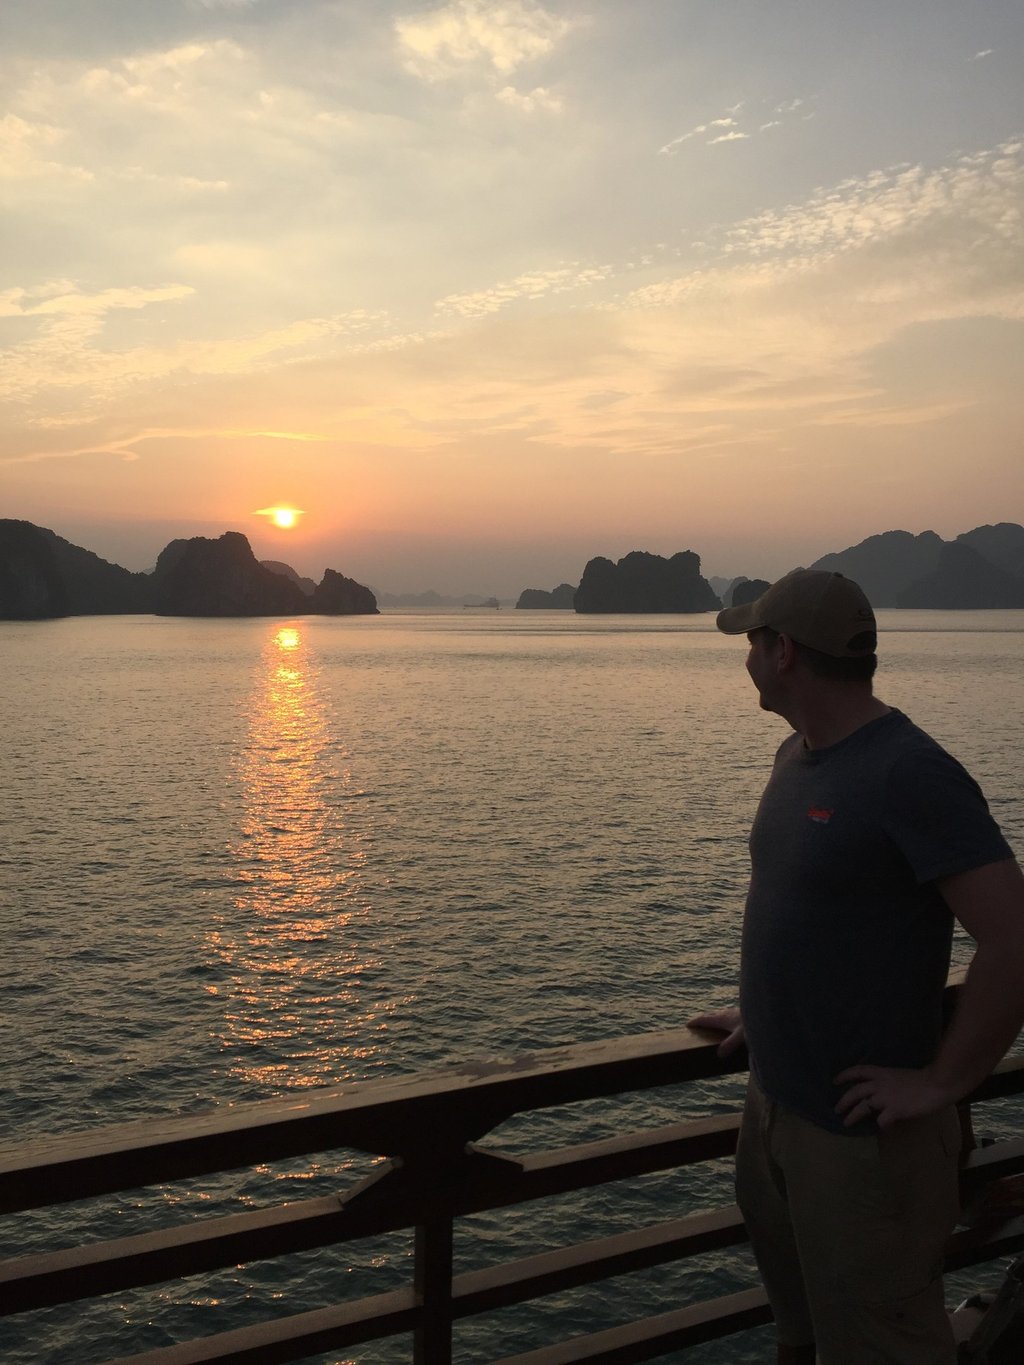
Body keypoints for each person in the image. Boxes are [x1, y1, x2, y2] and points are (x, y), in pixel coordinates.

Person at [690, 567, 1024, 1365]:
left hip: (866, 1147)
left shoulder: (909, 772)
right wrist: (766, 1011)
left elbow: (1015, 936)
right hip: (776, 1108)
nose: (745, 657)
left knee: (882, 1345)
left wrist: (943, 1082)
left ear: (783, 652)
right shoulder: (795, 756)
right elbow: (817, 911)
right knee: (801, 1336)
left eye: (751, 641)